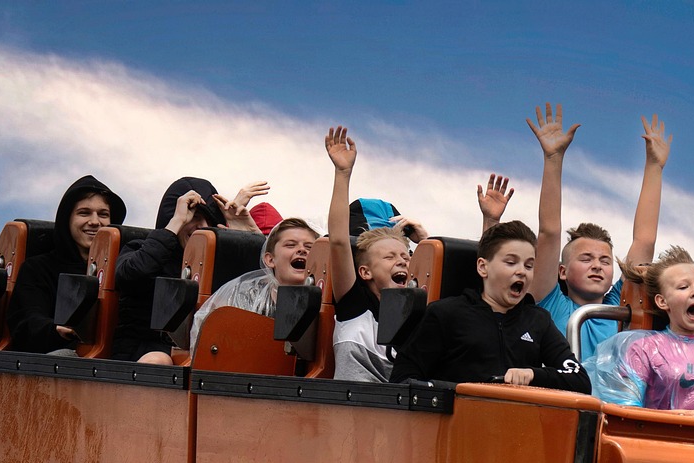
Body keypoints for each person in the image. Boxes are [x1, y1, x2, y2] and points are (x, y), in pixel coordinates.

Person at [522, 104, 676, 361]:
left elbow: (644, 240)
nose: (597, 266)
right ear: (562, 271)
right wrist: (553, 159)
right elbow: (549, 232)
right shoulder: (551, 303)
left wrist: (654, 166)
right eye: (586, 259)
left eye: (605, 261)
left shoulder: (620, 306)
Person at [389, 220, 590, 393]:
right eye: (511, 263)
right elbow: (403, 379)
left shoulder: (539, 320)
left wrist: (531, 375)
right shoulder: (445, 314)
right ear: (483, 267)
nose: (522, 272)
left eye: (529, 266)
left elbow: (579, 380)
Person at [114, 176, 268, 363]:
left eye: (208, 219)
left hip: (210, 354)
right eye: (193, 217)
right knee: (158, 360)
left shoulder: (222, 260)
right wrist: (176, 223)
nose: (201, 226)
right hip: (145, 353)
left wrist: (248, 237)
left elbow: (265, 286)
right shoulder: (141, 249)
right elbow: (130, 277)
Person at [588, 246, 694, 417]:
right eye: (683, 287)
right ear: (662, 301)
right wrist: (690, 417)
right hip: (662, 441)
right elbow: (626, 415)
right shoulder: (643, 349)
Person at [324, 125, 429, 382]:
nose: (402, 261)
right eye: (390, 257)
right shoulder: (355, 305)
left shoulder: (420, 315)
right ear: (365, 271)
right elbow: (338, 242)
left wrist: (426, 242)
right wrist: (342, 173)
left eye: (405, 257)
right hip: (353, 410)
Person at [6, 175, 126, 354]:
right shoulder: (38, 268)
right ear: (67, 219)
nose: (94, 222)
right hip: (59, 361)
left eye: (103, 214)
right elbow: (26, 320)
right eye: (84, 213)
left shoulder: (124, 269)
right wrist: (55, 330)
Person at [188, 216, 319, 353]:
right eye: (290, 245)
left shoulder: (326, 303)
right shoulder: (244, 293)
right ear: (270, 259)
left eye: (309, 247)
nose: (302, 250)